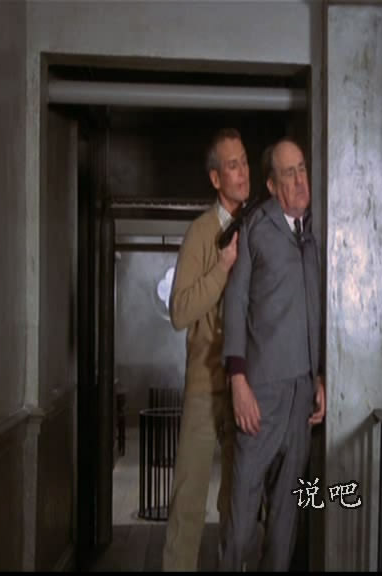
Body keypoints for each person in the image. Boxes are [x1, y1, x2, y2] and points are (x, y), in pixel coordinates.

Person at [220, 138, 326, 571]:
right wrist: (238, 381)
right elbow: (235, 302)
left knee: (286, 520)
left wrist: (320, 376)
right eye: (289, 173)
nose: (300, 180)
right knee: (241, 520)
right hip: (259, 394)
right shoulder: (255, 227)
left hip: (303, 395)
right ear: (270, 184)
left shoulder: (318, 230)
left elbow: (320, 309)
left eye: (302, 169)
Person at [162, 128, 248, 571]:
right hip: (203, 385)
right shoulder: (199, 233)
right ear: (216, 179)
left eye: (245, 162)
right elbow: (180, 311)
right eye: (232, 165)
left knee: (240, 503)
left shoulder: (258, 229)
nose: (243, 172)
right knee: (189, 503)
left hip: (247, 388)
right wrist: (223, 268)